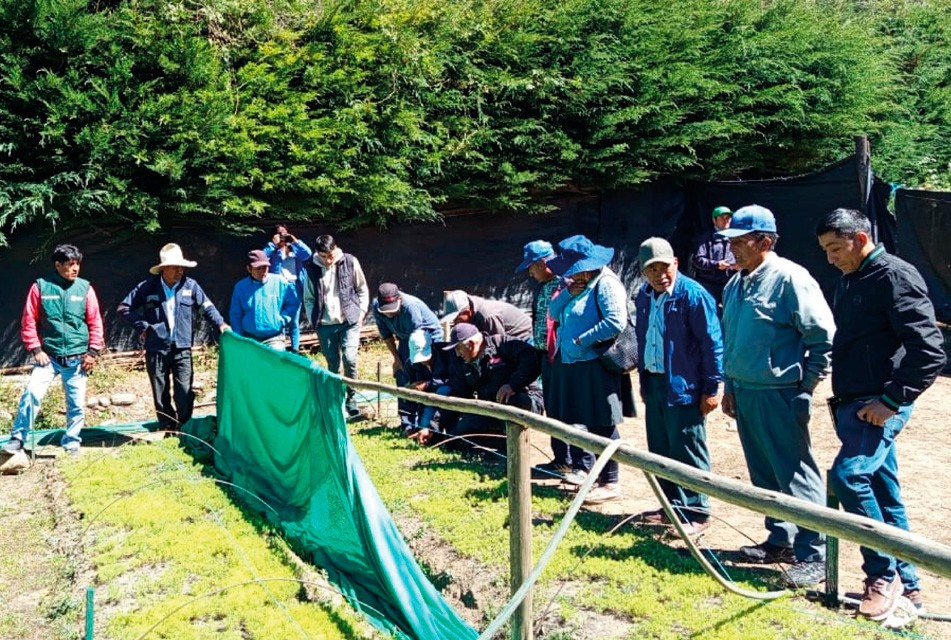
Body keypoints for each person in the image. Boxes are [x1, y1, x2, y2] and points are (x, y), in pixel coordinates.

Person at [816, 208, 946, 618]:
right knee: (884, 492)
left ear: (860, 238)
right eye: (825, 250)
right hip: (854, 404)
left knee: (849, 477)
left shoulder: (894, 276)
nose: (830, 258)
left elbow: (929, 351)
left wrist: (891, 401)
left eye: (835, 248)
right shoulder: (850, 278)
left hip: (877, 405)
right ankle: (908, 584)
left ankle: (882, 575)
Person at [718, 204, 835, 588]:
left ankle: (815, 554)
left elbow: (822, 338)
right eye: (731, 241)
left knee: (796, 473)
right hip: (746, 391)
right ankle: (781, 539)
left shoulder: (790, 278)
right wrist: (730, 386)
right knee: (765, 472)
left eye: (740, 241)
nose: (732, 248)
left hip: (780, 393)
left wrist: (806, 388)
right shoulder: (736, 283)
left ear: (765, 242)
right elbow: (732, 339)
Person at [634, 237, 722, 536]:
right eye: (651, 269)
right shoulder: (644, 296)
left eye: (664, 267)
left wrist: (711, 389)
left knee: (687, 447)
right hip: (655, 382)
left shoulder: (693, 295)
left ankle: (697, 511)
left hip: (685, 386)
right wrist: (644, 381)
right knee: (660, 448)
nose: (659, 275)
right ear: (643, 272)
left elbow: (712, 343)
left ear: (675, 263)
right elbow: (644, 339)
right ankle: (670, 506)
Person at [545, 235, 636, 504]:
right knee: (584, 420)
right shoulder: (575, 284)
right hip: (575, 364)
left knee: (602, 422)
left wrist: (581, 340)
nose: (569, 274)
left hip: (596, 364)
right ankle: (596, 476)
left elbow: (615, 321)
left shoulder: (606, 283)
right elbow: (553, 313)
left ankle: (610, 482)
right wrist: (568, 293)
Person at [2, 244, 104, 455]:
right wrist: (36, 349)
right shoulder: (40, 287)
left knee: (76, 404)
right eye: (70, 264)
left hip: (77, 359)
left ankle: (72, 442)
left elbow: (95, 322)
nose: (75, 269)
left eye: (78, 264)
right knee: (31, 394)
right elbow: (29, 321)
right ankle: (17, 438)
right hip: (48, 358)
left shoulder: (85, 288)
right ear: (58, 265)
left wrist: (93, 351)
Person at [118, 244, 229, 431]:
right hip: (156, 347)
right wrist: (143, 326)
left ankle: (184, 427)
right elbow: (124, 308)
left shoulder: (191, 286)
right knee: (160, 391)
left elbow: (207, 307)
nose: (180, 271)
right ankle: (167, 427)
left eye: (182, 267)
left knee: (184, 389)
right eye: (176, 267)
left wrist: (220, 323)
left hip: (182, 347)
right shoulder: (147, 287)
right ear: (164, 268)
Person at [430, 323, 543, 447]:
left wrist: (513, 385)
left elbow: (533, 359)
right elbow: (457, 394)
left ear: (471, 344)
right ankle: (499, 444)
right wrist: (434, 427)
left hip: (526, 399)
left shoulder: (502, 343)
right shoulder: (462, 363)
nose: (457, 354)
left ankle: (513, 445)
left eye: (458, 348)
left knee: (509, 400)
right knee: (460, 432)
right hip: (491, 408)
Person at [514, 239, 570, 475]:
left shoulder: (566, 283)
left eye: (532, 267)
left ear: (544, 262)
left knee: (566, 409)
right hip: (543, 355)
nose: (530, 273)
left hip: (562, 357)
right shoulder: (541, 286)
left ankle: (574, 461)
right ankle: (561, 459)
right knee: (553, 408)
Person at [303, 234, 370, 418]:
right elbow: (308, 298)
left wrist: (361, 313)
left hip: (349, 321)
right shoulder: (311, 267)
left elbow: (362, 289)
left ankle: (352, 397)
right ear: (318, 253)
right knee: (333, 363)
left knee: (350, 359)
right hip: (325, 324)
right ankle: (336, 398)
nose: (328, 260)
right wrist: (314, 320)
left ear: (336, 248)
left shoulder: (350, 261)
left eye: (330, 255)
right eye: (323, 256)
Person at [371, 282, 443, 431]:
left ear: (399, 300)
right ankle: (407, 425)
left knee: (424, 378)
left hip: (426, 336)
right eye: (386, 311)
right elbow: (386, 334)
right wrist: (397, 359)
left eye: (392, 310)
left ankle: (427, 425)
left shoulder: (410, 307)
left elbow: (417, 338)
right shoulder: (376, 307)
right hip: (405, 338)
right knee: (402, 376)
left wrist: (416, 369)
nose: (389, 314)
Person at [229, 249, 300, 351]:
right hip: (249, 338)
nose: (263, 271)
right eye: (258, 268)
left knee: (275, 359)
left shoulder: (280, 282)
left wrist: (282, 319)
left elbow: (293, 304)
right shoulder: (240, 287)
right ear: (249, 269)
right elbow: (235, 315)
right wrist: (239, 339)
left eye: (265, 267)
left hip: (274, 337)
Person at [263, 224, 312, 352]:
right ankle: (281, 349)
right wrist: (274, 245)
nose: (282, 236)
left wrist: (295, 241)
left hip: (294, 287)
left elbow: (308, 254)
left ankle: (295, 350)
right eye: (279, 233)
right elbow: (262, 258)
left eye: (284, 233)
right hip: (277, 288)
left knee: (294, 321)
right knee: (279, 319)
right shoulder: (272, 249)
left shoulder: (294, 249)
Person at [440, 289, 533, 343]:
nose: (455, 323)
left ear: (467, 313)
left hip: (526, 338)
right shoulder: (471, 308)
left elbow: (499, 345)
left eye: (457, 319)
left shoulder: (487, 316)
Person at [691, 206, 736, 304]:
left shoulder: (735, 238)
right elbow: (697, 260)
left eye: (728, 218)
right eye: (722, 218)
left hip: (730, 285)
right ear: (714, 220)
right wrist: (717, 264)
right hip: (708, 286)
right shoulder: (704, 238)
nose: (726, 221)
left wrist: (739, 265)